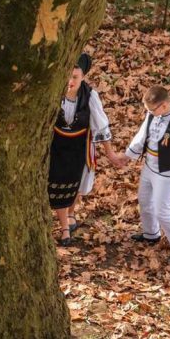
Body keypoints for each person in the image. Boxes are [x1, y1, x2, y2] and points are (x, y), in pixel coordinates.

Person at [113, 86, 170, 258]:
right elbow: (141, 137)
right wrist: (127, 156)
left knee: (161, 210)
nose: (149, 112)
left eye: (152, 109)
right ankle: (151, 233)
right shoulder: (151, 115)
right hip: (149, 165)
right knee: (144, 200)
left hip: (166, 171)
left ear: (163, 105)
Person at [47, 53, 116, 246]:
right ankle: (64, 228)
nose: (70, 81)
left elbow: (101, 126)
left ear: (83, 76)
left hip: (80, 147)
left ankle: (70, 213)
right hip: (58, 148)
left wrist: (109, 153)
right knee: (59, 183)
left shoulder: (89, 96)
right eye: (68, 76)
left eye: (75, 77)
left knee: (79, 184)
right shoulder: (55, 92)